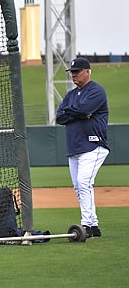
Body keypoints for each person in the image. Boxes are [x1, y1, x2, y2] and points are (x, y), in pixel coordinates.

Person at [56, 57, 110, 238]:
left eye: (77, 71)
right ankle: (93, 226)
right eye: (72, 72)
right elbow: (60, 117)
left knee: (84, 182)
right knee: (79, 186)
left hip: (93, 144)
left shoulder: (96, 90)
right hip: (75, 147)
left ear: (88, 71)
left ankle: (86, 224)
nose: (73, 75)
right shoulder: (71, 95)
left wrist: (75, 112)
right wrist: (77, 112)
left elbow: (83, 110)